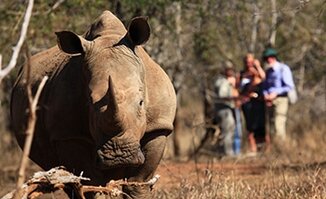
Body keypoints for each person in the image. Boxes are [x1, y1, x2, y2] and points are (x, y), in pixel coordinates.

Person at [262, 47, 295, 142]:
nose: (269, 60)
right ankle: (273, 147)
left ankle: (281, 148)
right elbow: (265, 86)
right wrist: (266, 95)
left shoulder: (283, 69)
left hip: (281, 100)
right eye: (267, 58)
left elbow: (289, 86)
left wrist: (276, 93)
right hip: (269, 101)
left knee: (278, 124)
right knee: (271, 125)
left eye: (270, 57)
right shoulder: (268, 71)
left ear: (274, 57)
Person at [240, 53, 269, 155]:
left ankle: (264, 149)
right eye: (247, 62)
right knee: (250, 127)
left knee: (260, 126)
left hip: (258, 102)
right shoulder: (242, 73)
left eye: (250, 62)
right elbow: (238, 87)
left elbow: (263, 77)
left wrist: (257, 66)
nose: (249, 64)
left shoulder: (257, 72)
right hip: (247, 102)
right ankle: (253, 149)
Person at [213, 66, 238, 157]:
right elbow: (222, 95)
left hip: (228, 108)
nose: (230, 72)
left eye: (232, 70)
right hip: (223, 108)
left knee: (229, 129)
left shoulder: (227, 81)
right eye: (228, 70)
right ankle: (227, 153)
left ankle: (225, 152)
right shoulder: (222, 81)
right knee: (226, 130)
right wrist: (235, 97)